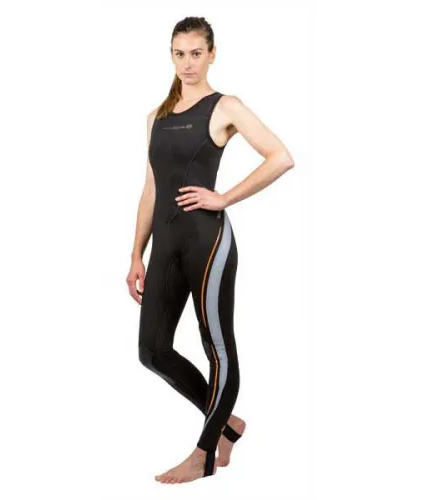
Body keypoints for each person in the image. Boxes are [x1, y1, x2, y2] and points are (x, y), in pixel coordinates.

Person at [127, 16, 295, 484]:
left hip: (208, 242)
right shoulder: (156, 118)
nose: (188, 63)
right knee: (152, 350)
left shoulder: (225, 107)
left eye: (196, 53)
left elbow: (281, 157)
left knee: (216, 346)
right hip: (165, 246)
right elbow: (151, 190)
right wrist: (136, 253)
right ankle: (227, 423)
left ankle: (204, 454)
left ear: (212, 54)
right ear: (171, 55)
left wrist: (224, 198)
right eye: (179, 54)